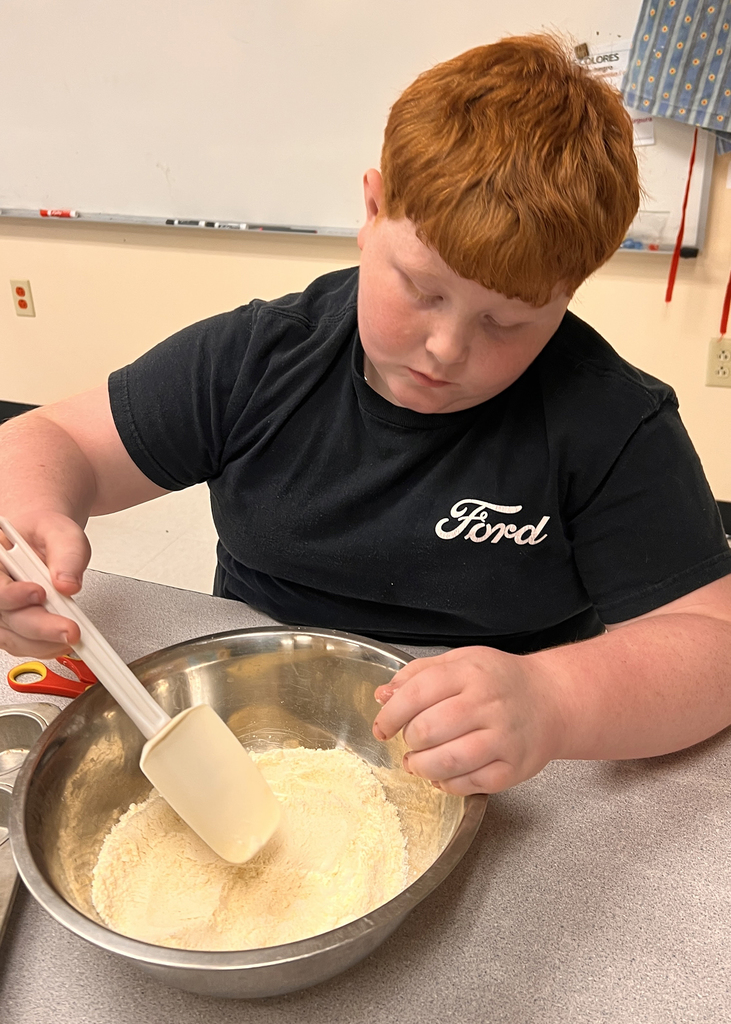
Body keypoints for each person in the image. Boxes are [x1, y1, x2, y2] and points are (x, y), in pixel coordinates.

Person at [1, 35, 730, 797]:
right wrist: (29, 518)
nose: (445, 349)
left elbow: (710, 645)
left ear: (570, 292)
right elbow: (51, 440)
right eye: (420, 289)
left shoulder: (611, 424)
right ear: (373, 208)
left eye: (505, 323)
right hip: (257, 720)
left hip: (490, 758)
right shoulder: (260, 359)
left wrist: (554, 700)